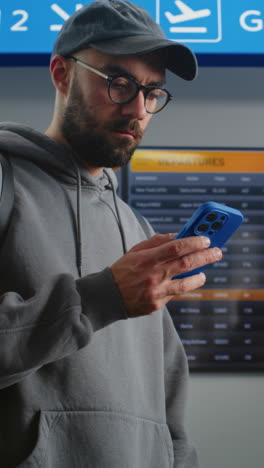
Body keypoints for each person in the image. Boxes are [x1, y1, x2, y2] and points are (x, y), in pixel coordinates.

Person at [0, 1, 222, 467]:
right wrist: (98, 299)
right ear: (62, 74)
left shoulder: (136, 229)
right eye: (119, 84)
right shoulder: (5, 181)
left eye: (152, 92)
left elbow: (169, 411)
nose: (138, 109)